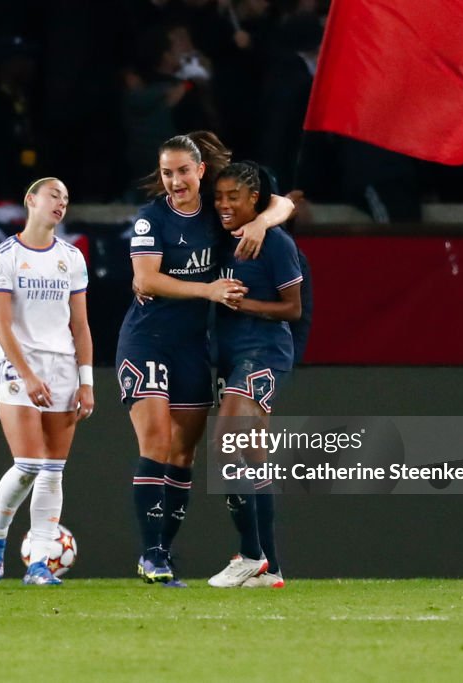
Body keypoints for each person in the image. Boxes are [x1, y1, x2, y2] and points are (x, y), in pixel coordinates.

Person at [118, 131, 294, 586]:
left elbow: (284, 204)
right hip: (148, 341)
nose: (174, 181)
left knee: (184, 454)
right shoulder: (151, 219)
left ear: (200, 171)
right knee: (157, 441)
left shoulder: (219, 214)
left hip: (194, 346)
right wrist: (208, 290)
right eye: (166, 173)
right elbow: (146, 281)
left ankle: (175, 555)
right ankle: (151, 554)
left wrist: (259, 225)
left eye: (181, 171)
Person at [0, 177, 94, 586]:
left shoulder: (71, 257)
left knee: (53, 471)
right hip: (17, 366)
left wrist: (86, 381)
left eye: (66, 197)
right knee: (28, 464)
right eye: (53, 195)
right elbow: (2, 326)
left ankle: (40, 564)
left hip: (63, 367)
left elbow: (80, 325)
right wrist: (27, 375)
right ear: (31, 200)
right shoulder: (4, 256)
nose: (61, 203)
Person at [206, 162, 301, 589]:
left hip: (263, 352)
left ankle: (249, 555)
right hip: (229, 354)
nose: (224, 204)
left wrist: (243, 306)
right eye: (220, 197)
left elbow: (293, 309)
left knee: (226, 444)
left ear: (254, 200)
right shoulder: (219, 238)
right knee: (253, 458)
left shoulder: (275, 243)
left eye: (233, 197)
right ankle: (273, 568)